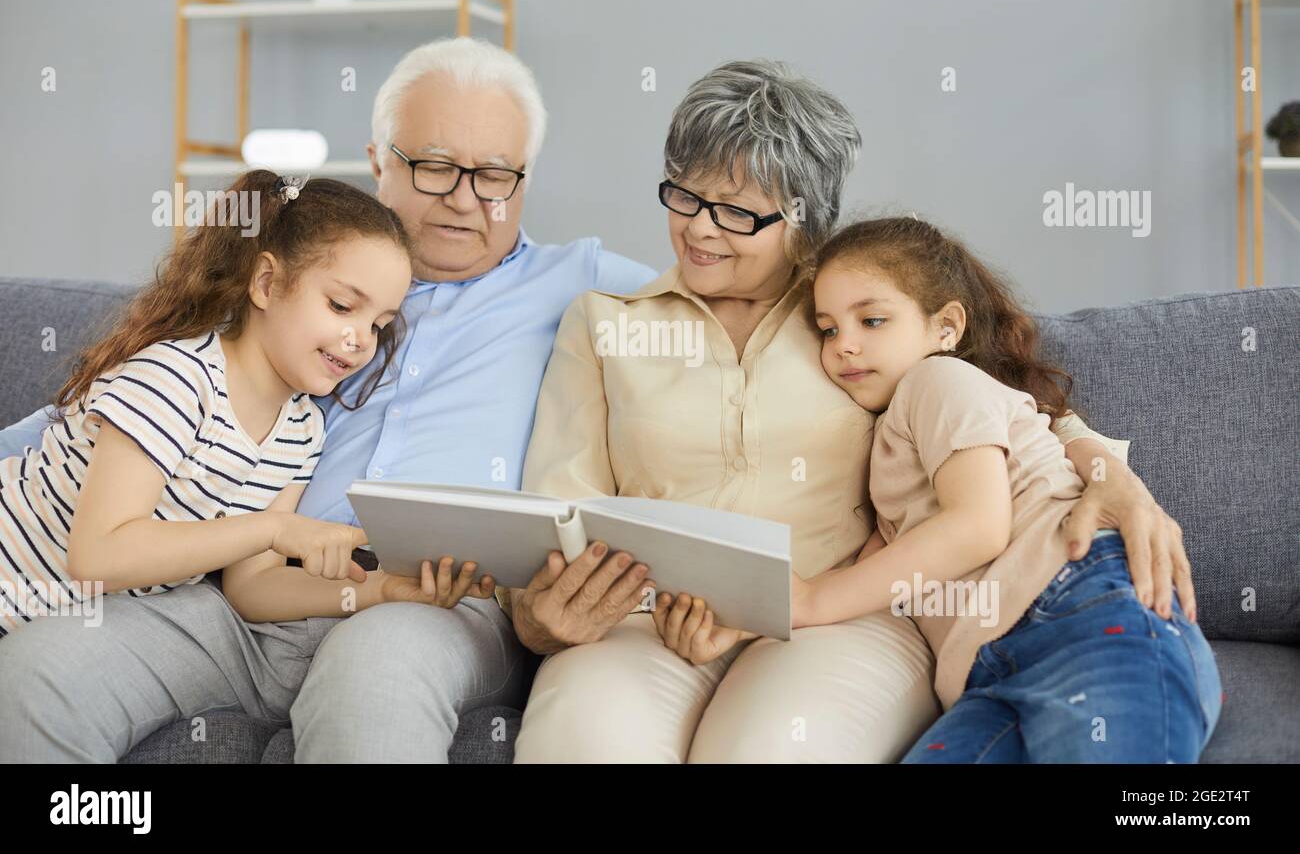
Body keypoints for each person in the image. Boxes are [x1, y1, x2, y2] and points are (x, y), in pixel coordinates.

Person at [506, 60, 1192, 763]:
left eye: (737, 211)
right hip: (646, 621)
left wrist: (1117, 480)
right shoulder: (602, 322)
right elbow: (551, 524)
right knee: (581, 745)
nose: (699, 228)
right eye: (683, 195)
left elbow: (1012, 406)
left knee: (772, 751)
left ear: (804, 220)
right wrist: (539, 617)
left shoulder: (857, 318)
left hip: (841, 616)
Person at [0, 37, 656, 763]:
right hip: (247, 591)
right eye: (436, 165)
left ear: (524, 179)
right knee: (44, 668)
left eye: (496, 174)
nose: (467, 197)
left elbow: (742, 297)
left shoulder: (585, 277)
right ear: (378, 160)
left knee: (369, 686)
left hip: (429, 601)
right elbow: (103, 411)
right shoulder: (278, 302)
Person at [790, 216, 1219, 762]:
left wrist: (811, 600)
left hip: (1079, 609)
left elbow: (977, 527)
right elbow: (880, 570)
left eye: (871, 320)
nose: (844, 346)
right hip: (987, 669)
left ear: (946, 327)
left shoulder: (937, 380)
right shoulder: (897, 438)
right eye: (828, 330)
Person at [0, 170, 419, 642]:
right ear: (265, 282)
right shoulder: (177, 380)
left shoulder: (301, 433)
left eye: (379, 325)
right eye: (342, 306)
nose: (360, 340)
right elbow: (98, 555)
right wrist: (272, 528)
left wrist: (381, 589)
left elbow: (254, 587)